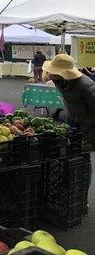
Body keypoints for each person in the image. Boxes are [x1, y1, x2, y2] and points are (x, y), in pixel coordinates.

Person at [43, 54, 95, 183]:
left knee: (83, 158)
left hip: (88, 126)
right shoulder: (58, 80)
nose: (52, 75)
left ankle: (82, 191)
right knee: (69, 153)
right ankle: (70, 184)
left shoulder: (87, 86)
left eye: (55, 72)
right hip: (71, 120)